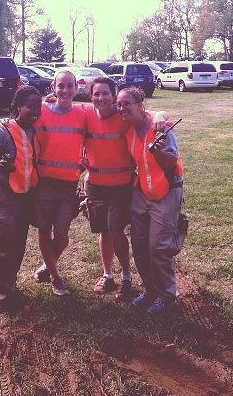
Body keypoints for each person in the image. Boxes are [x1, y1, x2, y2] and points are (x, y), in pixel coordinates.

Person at [117, 87, 185, 315]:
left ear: (140, 105)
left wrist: (157, 151)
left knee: (158, 247)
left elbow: (170, 163)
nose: (122, 108)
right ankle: (150, 290)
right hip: (143, 193)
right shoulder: (129, 132)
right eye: (119, 104)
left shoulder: (160, 127)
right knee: (139, 245)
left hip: (166, 192)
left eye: (127, 103)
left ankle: (166, 296)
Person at [0, 85, 42, 308]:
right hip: (3, 194)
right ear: (18, 106)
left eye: (38, 106)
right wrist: (2, 164)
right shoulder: (4, 130)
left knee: (18, 243)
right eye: (30, 106)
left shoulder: (33, 130)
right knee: (4, 243)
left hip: (24, 195)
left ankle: (10, 285)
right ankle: (1, 294)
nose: (35, 111)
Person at [32, 70, 87, 296]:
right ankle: (55, 277)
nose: (65, 90)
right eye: (60, 86)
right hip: (43, 184)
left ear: (76, 88)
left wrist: (160, 116)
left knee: (62, 236)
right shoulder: (41, 111)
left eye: (69, 86)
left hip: (68, 186)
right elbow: (17, 114)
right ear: (53, 88)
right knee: (44, 229)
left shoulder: (83, 113)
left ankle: (48, 265)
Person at [82, 77, 134, 300]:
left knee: (116, 230)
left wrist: (161, 116)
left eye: (105, 93)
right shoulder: (85, 114)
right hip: (96, 186)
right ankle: (108, 275)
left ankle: (127, 276)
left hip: (121, 186)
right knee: (104, 231)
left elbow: (150, 116)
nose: (101, 98)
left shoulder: (125, 116)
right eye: (96, 94)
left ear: (114, 95)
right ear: (90, 96)